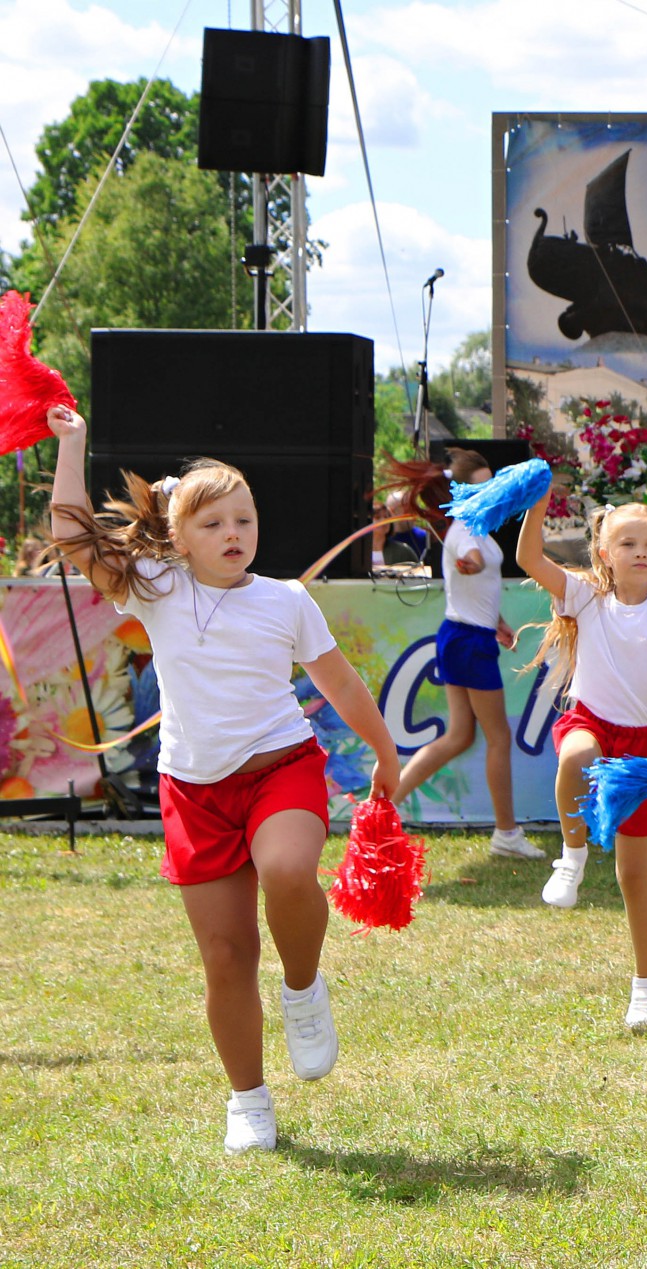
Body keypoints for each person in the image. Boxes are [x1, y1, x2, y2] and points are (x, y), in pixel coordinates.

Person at [44, 405, 402, 1156]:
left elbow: (337, 682)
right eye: (212, 524)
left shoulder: (286, 600)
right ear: (176, 537)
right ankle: (248, 1099)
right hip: (194, 792)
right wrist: (72, 443)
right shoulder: (153, 587)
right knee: (227, 955)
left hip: (281, 770)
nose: (234, 533)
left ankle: (303, 990)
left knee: (287, 867)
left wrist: (385, 751)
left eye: (245, 518)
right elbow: (72, 536)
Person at [516, 493, 647, 1029]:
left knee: (633, 874)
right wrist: (536, 503)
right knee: (576, 756)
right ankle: (571, 857)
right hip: (591, 721)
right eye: (627, 542)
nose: (640, 552)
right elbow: (530, 560)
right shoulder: (583, 597)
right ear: (603, 550)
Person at [380, 450, 537, 859]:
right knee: (497, 736)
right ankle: (506, 834)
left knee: (460, 735)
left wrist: (497, 621)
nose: (487, 492)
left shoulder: (475, 525)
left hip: (466, 635)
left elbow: (477, 579)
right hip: (465, 641)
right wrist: (470, 562)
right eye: (478, 486)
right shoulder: (467, 527)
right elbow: (471, 561)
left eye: (490, 484)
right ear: (462, 491)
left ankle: (383, 807)